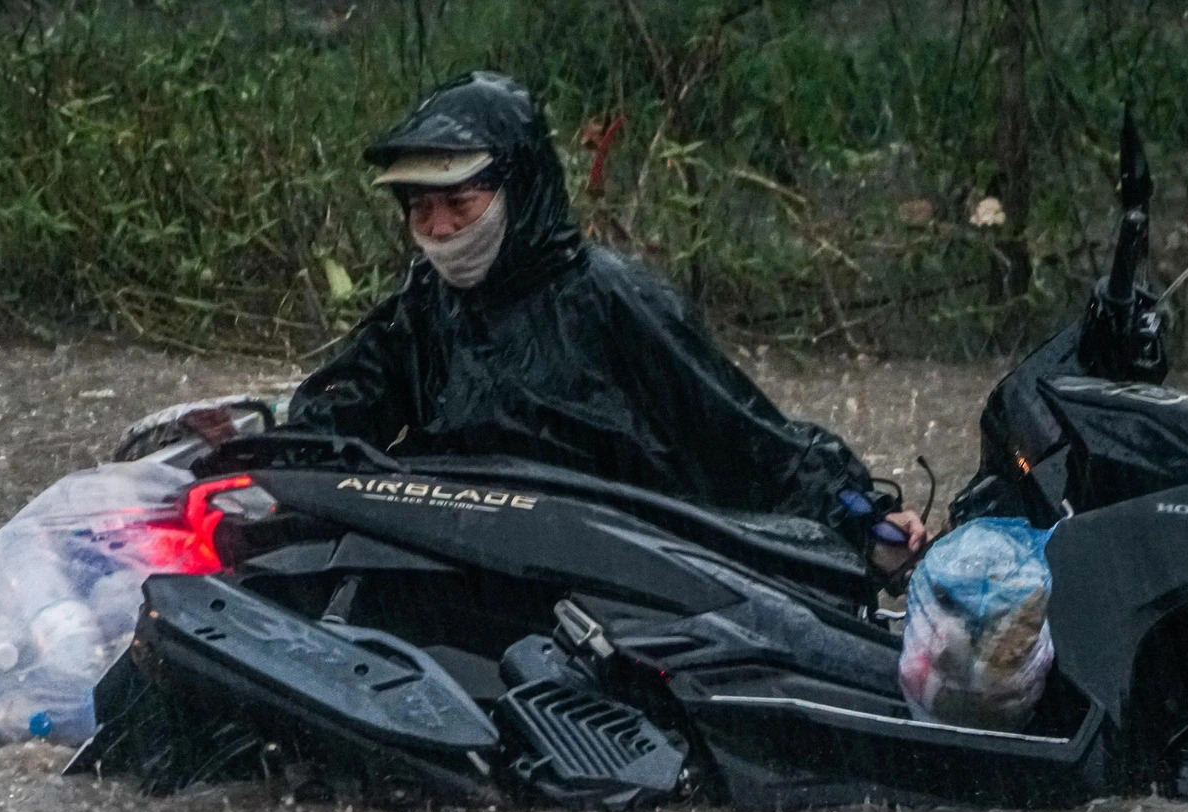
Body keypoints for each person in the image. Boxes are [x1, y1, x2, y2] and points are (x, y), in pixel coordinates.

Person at [285, 71, 928, 572]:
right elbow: (347, 399)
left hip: (613, 578)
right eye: (420, 210)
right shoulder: (428, 302)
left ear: (522, 190)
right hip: (460, 563)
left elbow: (742, 431)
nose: (441, 229)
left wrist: (860, 518)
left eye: (459, 202)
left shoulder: (611, 299)